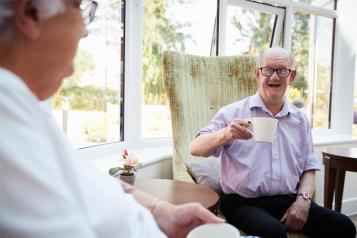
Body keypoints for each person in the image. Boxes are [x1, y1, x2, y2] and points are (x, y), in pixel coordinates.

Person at [0, 1, 224, 237]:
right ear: (30, 12)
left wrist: (159, 210)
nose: (85, 30)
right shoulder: (6, 104)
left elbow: (83, 180)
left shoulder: (30, 104)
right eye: (78, 7)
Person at [190, 47, 357, 238]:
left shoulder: (300, 120)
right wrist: (225, 134)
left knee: (344, 227)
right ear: (257, 74)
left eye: (282, 70)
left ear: (291, 76)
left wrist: (303, 201)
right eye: (267, 70)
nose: (274, 77)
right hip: (242, 202)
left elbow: (309, 168)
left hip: (288, 199)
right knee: (274, 233)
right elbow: (195, 148)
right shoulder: (232, 113)